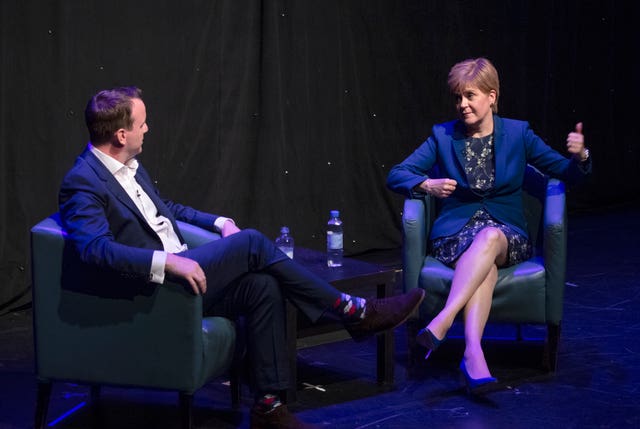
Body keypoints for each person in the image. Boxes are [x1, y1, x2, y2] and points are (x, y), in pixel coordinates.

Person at [59, 86, 425, 429]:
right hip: (155, 290)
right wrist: (168, 262)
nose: (147, 129)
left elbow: (164, 210)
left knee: (262, 285)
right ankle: (354, 311)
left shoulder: (130, 169)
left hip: (187, 270)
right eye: (142, 124)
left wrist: (219, 222)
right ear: (121, 135)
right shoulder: (84, 181)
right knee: (252, 243)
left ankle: (267, 406)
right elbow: (95, 250)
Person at [386, 57, 591, 392]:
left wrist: (579, 156)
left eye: (470, 96)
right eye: (457, 98)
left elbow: (565, 173)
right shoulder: (443, 135)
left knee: (491, 237)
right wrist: (427, 185)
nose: (462, 105)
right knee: (486, 267)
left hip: (507, 234)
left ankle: (444, 319)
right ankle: (472, 352)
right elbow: (396, 174)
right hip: (456, 234)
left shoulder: (518, 133)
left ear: (492, 96)